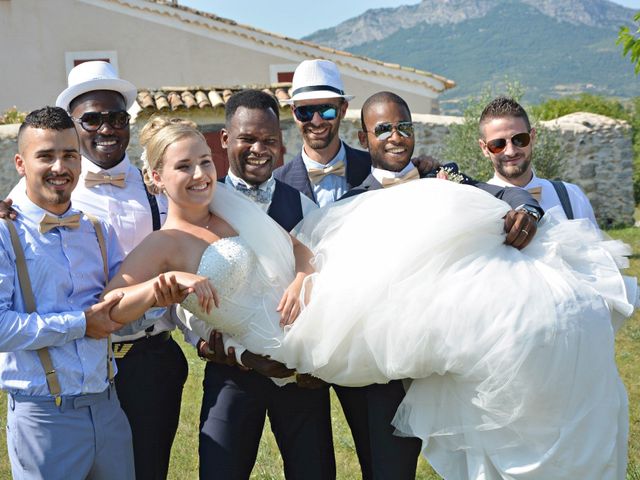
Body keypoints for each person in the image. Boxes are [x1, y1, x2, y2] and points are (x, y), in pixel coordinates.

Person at [104, 113, 634, 480]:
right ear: (155, 178)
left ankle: (546, 394)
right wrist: (157, 290)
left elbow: (298, 251)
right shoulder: (162, 246)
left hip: (320, 307)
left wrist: (301, 277)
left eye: (203, 160)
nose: (200, 174)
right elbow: (102, 315)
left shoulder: (230, 209)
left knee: (471, 291)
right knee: (451, 316)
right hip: (293, 343)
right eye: (183, 166)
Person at [333, 91, 543, 479]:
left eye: (404, 127)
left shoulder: (442, 177)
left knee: (477, 464)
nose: (396, 137)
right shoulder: (349, 205)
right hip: (386, 368)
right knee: (388, 470)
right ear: (364, 139)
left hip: (455, 359)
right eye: (383, 129)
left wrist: (526, 209)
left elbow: (505, 192)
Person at [4, 61, 188, 480]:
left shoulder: (152, 186)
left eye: (117, 118)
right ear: (74, 123)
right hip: (57, 377)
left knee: (147, 468)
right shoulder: (34, 192)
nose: (107, 128)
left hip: (142, 359)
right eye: (92, 119)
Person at [187, 90, 336, 479]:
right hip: (231, 371)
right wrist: (209, 344)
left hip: (298, 377)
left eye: (269, 140)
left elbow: (324, 276)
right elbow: (185, 287)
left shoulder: (304, 206)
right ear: (224, 140)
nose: (259, 149)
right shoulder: (204, 204)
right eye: (247, 139)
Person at [0, 106, 135, 479]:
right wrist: (80, 324)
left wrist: (164, 293)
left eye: (69, 155)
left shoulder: (98, 230)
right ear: (20, 163)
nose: (60, 167)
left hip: (107, 407)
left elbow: (120, 306)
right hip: (43, 417)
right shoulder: (3, 232)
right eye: (46, 156)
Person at [480, 96, 598, 226]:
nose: (511, 151)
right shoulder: (478, 205)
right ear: (484, 148)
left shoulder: (571, 196)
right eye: (498, 144)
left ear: (532, 137)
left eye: (519, 139)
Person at [273, 59, 371, 207]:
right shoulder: (277, 184)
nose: (316, 121)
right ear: (294, 113)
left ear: (343, 110)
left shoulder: (374, 168)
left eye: (326, 110)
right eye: (305, 112)